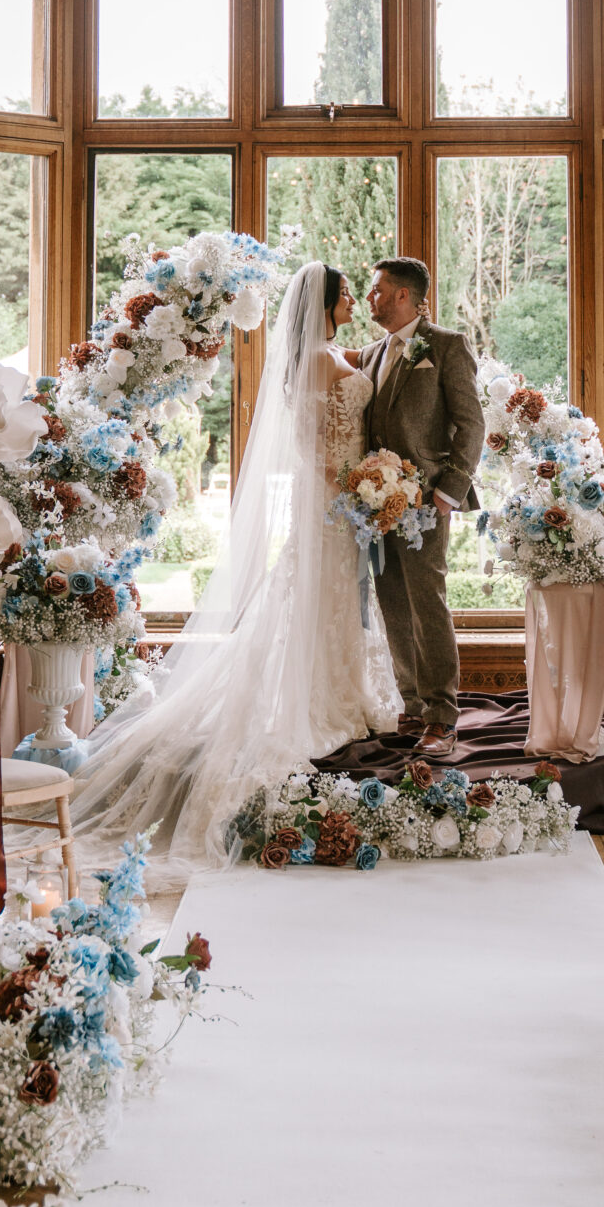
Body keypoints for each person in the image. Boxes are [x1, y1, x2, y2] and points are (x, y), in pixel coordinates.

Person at [67, 260, 400, 868]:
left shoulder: (331, 354)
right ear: (322, 305)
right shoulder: (319, 362)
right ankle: (328, 699)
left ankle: (349, 690)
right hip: (336, 503)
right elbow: (312, 443)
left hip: (347, 502)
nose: (353, 300)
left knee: (336, 601)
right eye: (346, 294)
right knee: (321, 598)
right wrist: (356, 485)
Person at [358, 258, 485, 761]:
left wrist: (447, 491)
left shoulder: (447, 346)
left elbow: (472, 424)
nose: (371, 298)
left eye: (377, 290)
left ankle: (442, 716)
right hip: (376, 506)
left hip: (428, 502)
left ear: (405, 296)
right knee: (392, 602)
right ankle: (411, 705)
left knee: (427, 603)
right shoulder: (370, 353)